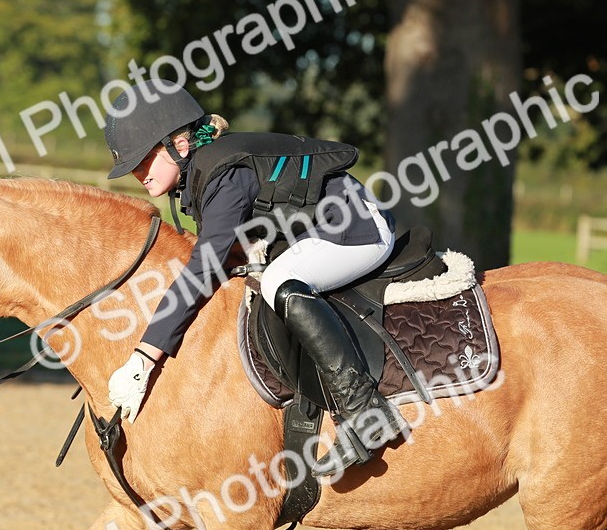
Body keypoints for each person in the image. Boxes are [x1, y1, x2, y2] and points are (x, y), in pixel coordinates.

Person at [104, 79, 403, 476]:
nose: (138, 173)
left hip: (358, 230)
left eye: (143, 160)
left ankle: (365, 411)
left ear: (179, 145)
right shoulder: (203, 170)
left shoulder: (223, 175)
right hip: (325, 231)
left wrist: (145, 355)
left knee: (281, 281)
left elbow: (204, 267)